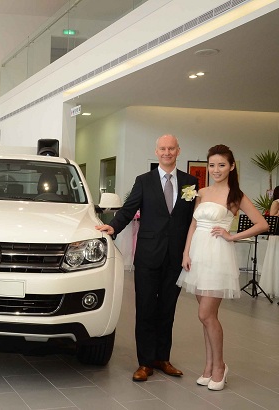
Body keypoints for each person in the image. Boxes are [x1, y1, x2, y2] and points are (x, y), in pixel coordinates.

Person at [96, 134, 198, 382]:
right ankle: (145, 362)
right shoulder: (144, 180)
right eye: (163, 148)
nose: (167, 152)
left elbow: (192, 220)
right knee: (145, 309)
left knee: (168, 309)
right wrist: (113, 227)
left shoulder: (190, 183)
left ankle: (163, 358)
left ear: (178, 150)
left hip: (175, 257)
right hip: (148, 256)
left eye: (171, 148)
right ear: (156, 151)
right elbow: (129, 209)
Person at [177, 144, 268, 391]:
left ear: (231, 166)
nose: (216, 169)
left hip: (218, 256)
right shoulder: (201, 192)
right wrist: (186, 252)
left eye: (221, 165)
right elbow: (193, 225)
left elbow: (262, 224)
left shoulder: (235, 195)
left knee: (206, 314)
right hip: (197, 256)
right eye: (212, 165)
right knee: (207, 318)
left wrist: (232, 236)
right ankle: (209, 367)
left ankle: (220, 367)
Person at [259, 186, 279, 298]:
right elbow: (272, 217)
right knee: (274, 258)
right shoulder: (276, 202)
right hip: (276, 234)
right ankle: (272, 287)